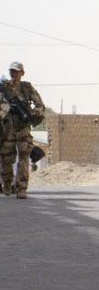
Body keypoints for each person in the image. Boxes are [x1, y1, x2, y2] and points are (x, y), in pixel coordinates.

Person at [0, 62, 46, 199]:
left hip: (23, 128)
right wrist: (6, 108)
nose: (13, 73)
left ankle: (21, 188)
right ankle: (7, 185)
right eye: (11, 71)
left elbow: (40, 105)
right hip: (7, 128)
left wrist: (32, 114)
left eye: (16, 71)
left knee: (24, 158)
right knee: (7, 159)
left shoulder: (27, 88)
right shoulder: (4, 87)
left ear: (22, 73)